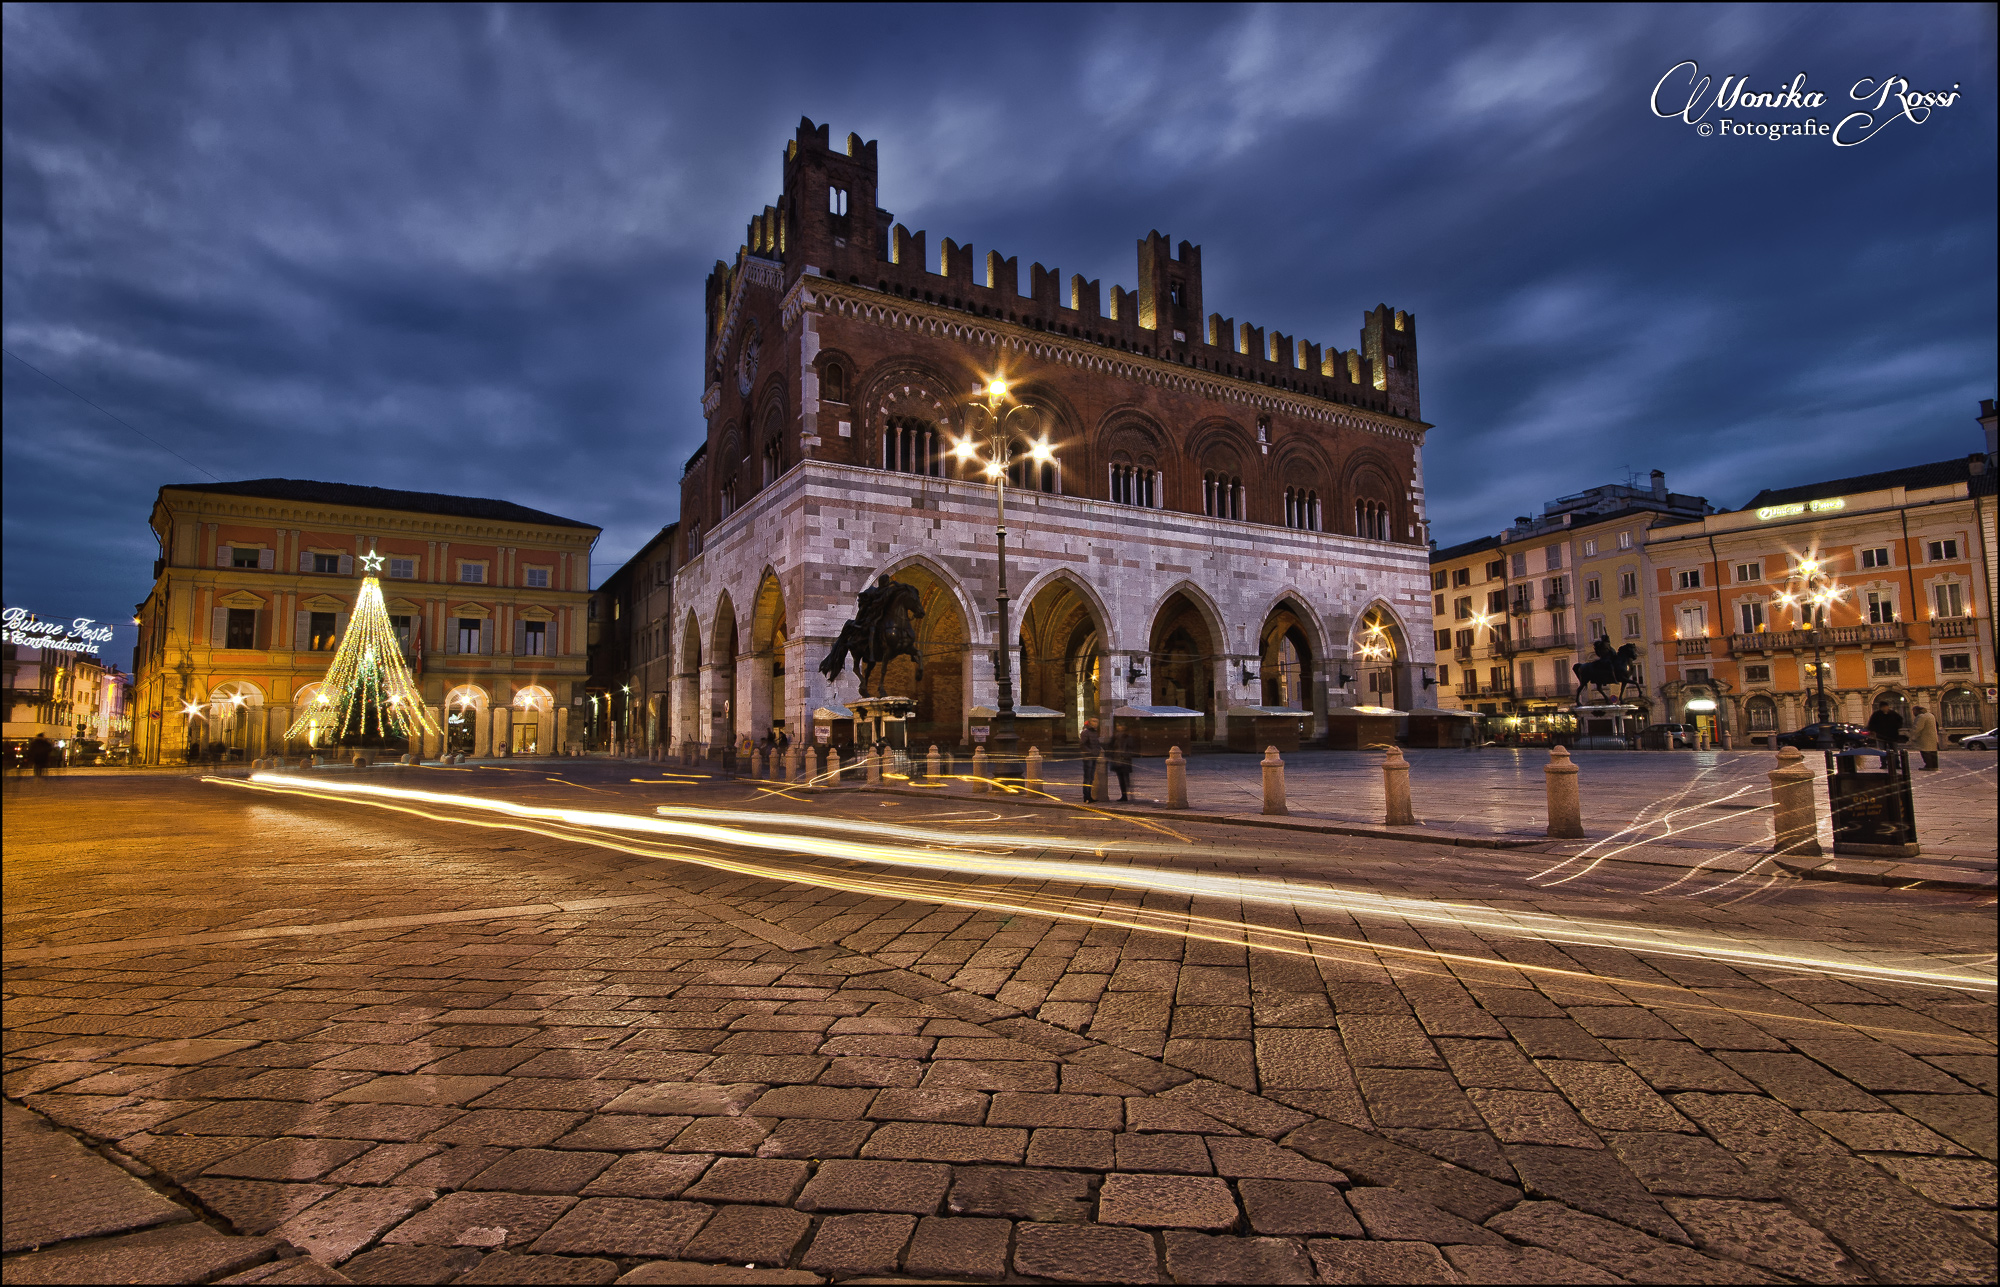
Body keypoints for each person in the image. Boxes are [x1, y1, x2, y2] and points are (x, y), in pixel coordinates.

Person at [1908, 704, 1939, 771]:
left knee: (1925, 752)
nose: (1913, 713)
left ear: (1916, 711)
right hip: (1932, 737)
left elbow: (1917, 728)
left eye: (1913, 711)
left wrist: (1912, 737)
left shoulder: (1921, 717)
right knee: (1933, 752)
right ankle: (1934, 766)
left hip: (1924, 738)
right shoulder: (1931, 715)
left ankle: (1929, 766)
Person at [1079, 718, 1103, 803]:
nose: (1096, 723)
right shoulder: (1085, 732)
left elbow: (1096, 744)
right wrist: (1091, 752)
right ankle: (1086, 796)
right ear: (1090, 722)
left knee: (1091, 777)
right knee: (1087, 777)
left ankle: (1089, 797)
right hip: (1088, 757)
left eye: (1097, 721)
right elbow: (1082, 745)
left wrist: (1099, 749)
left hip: (1093, 757)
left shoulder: (1094, 732)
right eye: (1094, 721)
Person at [1110, 727, 1137, 802]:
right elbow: (1111, 747)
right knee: (1121, 779)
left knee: (1126, 778)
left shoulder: (1128, 737)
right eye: (1118, 726)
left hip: (1125, 760)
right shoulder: (1115, 737)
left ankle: (1129, 794)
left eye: (1121, 726)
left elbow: (1131, 748)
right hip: (1117, 760)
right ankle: (1124, 795)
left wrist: (1126, 756)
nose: (1119, 728)